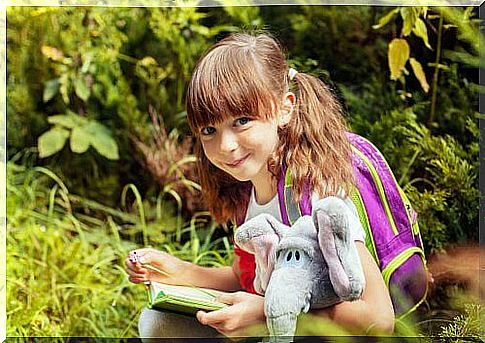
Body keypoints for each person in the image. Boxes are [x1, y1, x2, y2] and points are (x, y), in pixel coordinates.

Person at [125, 32, 395, 339]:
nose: (225, 145)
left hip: (332, 333)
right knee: (158, 322)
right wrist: (177, 271)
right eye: (209, 129)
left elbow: (378, 316)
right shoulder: (246, 190)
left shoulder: (315, 192)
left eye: (241, 121)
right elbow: (244, 278)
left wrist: (266, 315)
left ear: (284, 109)